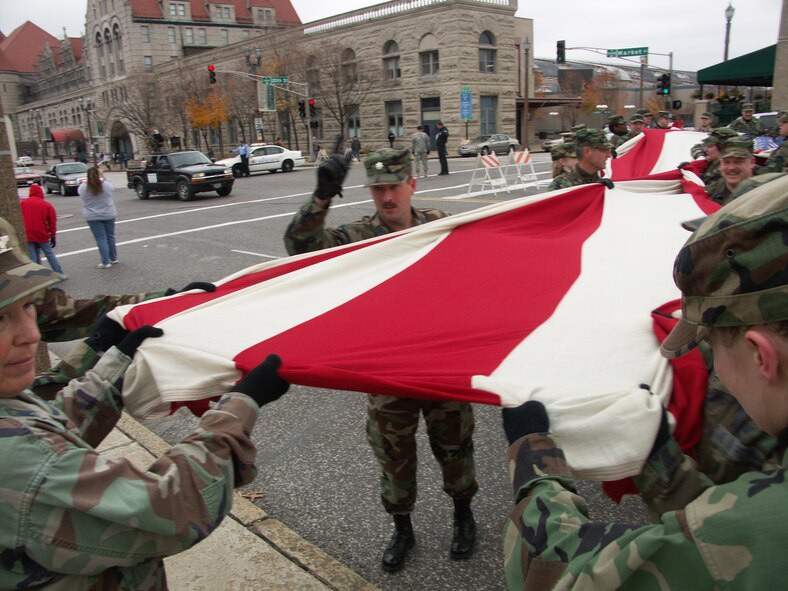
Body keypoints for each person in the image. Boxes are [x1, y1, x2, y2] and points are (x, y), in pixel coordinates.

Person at [500, 174, 788, 589]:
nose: (717, 371)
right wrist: (658, 453)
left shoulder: (757, 530)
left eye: (713, 345)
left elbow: (553, 572)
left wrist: (532, 457)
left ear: (761, 355)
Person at [0, 220, 291, 588]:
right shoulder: (25, 466)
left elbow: (48, 422)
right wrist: (239, 407)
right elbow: (174, 509)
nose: (32, 334)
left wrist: (113, 365)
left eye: (28, 306)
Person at [284, 148, 478, 572]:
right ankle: (402, 527)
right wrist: (320, 199)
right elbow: (299, 248)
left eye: (394, 186)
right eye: (377, 188)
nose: (387, 197)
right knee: (393, 454)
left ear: (412, 184)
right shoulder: (359, 235)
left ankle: (463, 515)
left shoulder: (440, 225)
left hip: (440, 364)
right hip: (387, 371)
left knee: (455, 445)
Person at [546, 128, 612, 191]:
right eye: (604, 150)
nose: (609, 155)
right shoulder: (560, 186)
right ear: (587, 152)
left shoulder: (604, 184)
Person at [20, 183, 65, 276]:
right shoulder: (46, 205)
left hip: (27, 232)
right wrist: (53, 236)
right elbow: (52, 222)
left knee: (33, 256)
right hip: (41, 233)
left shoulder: (23, 203)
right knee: (49, 254)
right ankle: (59, 273)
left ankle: (37, 276)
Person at [78, 166, 118, 269]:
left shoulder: (83, 187)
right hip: (108, 213)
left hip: (92, 215)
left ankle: (105, 261)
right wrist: (103, 176)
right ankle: (113, 258)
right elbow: (112, 187)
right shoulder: (105, 185)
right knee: (110, 236)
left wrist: (86, 182)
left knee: (101, 238)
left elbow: (80, 193)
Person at [705, 137, 758, 205]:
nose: (731, 168)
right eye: (726, 162)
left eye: (738, 162)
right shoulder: (709, 192)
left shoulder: (764, 193)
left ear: (752, 162)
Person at [755, 110, 788, 175]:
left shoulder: (785, 148)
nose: (780, 125)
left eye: (784, 122)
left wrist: (753, 168)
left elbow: (770, 172)